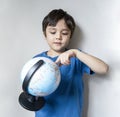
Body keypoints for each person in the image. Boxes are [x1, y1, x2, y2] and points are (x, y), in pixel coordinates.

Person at [34, 9, 109, 117]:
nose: (58, 37)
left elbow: (104, 68)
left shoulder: (76, 58)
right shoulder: (36, 61)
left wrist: (75, 52)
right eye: (53, 32)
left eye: (64, 33)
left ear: (70, 36)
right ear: (45, 34)